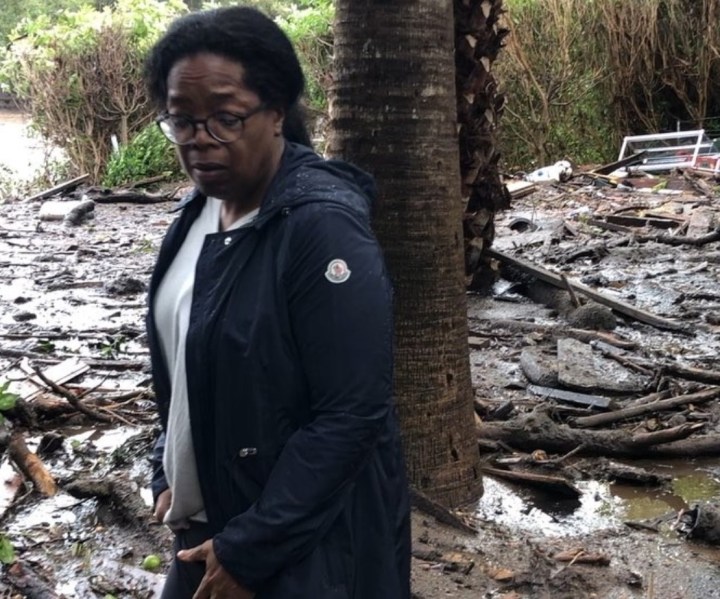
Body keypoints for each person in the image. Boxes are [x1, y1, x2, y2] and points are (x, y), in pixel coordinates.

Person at [143, 6, 411, 598]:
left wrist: (250, 550)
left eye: (225, 119)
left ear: (276, 112)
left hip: (298, 543)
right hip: (208, 521)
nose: (199, 143)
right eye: (181, 121)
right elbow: (189, 364)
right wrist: (167, 462)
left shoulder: (321, 228)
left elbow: (352, 413)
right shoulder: (196, 214)